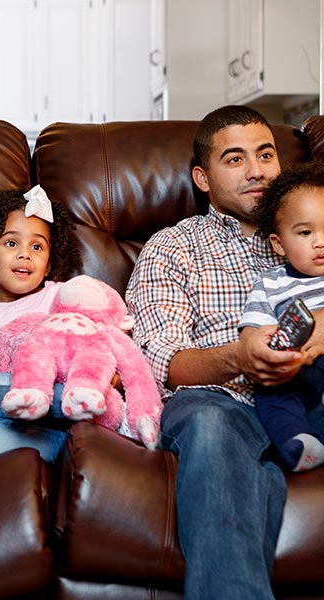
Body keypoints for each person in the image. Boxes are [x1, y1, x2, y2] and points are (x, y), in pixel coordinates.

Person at [126, 105, 316, 599]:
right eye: (234, 159)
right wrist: (238, 357)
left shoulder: (318, 228)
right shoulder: (173, 246)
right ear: (202, 178)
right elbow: (158, 360)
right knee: (211, 426)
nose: (256, 170)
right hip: (220, 399)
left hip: (312, 392)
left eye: (266, 154)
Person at [0, 185, 83, 464]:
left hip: (56, 410)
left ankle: (76, 402)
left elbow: (94, 336)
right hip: (8, 420)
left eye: (37, 246)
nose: (25, 254)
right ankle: (73, 407)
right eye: (11, 243)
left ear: (48, 265)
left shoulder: (59, 295)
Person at [239, 162, 324, 472]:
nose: (320, 242)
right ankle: (298, 441)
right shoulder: (270, 283)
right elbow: (253, 335)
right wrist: (271, 352)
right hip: (300, 371)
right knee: (271, 390)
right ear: (279, 244)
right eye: (305, 232)